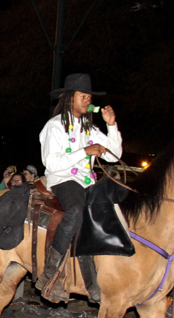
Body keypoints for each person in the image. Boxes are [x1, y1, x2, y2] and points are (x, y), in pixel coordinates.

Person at [35, 73, 122, 303]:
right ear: (69, 98)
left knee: (111, 213)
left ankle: (99, 281)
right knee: (75, 211)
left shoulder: (90, 129)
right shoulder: (54, 127)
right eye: (82, 96)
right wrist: (85, 151)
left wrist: (111, 126)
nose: (87, 100)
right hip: (63, 180)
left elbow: (115, 155)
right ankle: (49, 272)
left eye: (88, 96)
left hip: (87, 182)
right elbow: (51, 163)